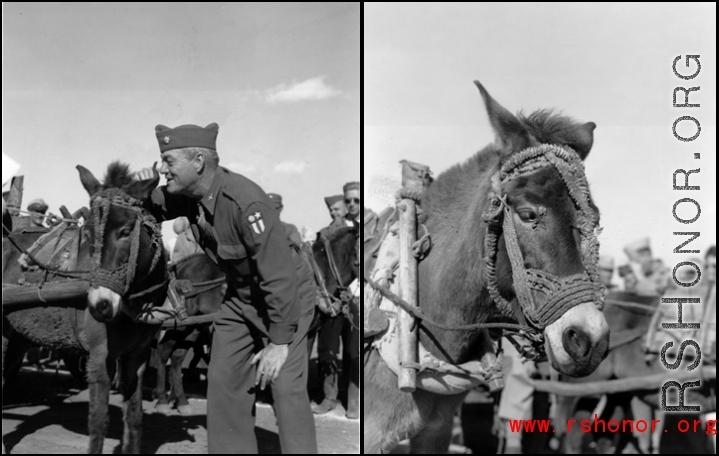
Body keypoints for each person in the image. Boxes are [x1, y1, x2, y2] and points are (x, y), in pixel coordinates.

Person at [136, 122, 317, 453]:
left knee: (285, 388)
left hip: (286, 294)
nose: (162, 168)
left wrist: (278, 343)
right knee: (223, 382)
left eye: (169, 161)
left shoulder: (245, 203)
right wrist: (134, 188)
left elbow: (278, 278)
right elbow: (146, 202)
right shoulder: (186, 196)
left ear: (199, 162)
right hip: (240, 296)